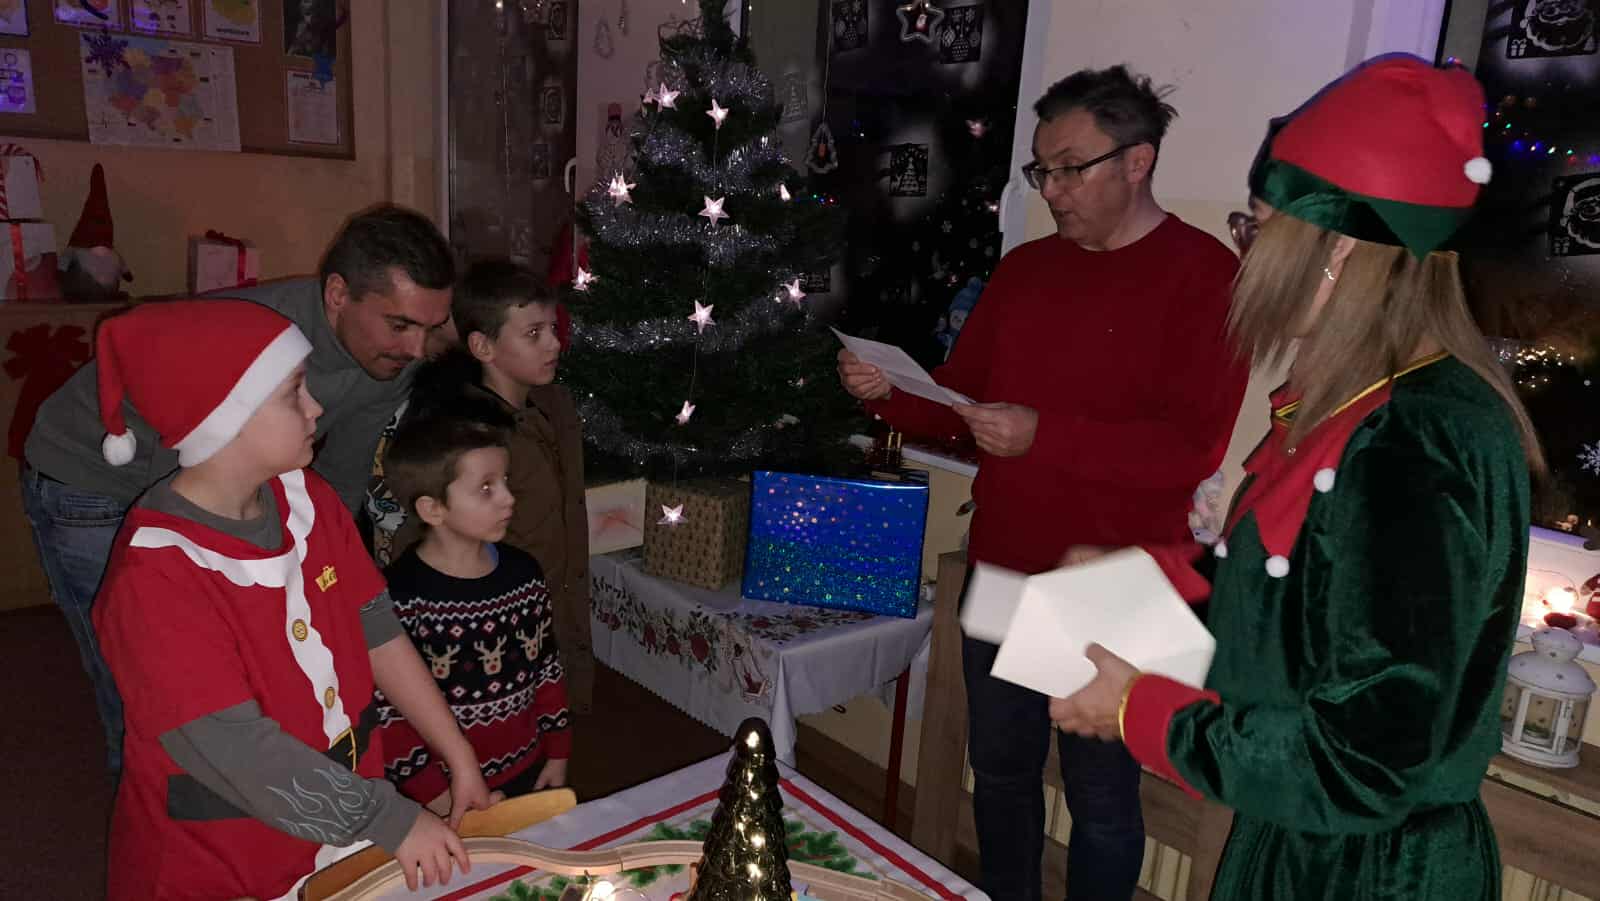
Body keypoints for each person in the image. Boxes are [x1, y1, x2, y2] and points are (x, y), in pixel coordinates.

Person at [1050, 55, 1542, 901]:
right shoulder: (1360, 403)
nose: (1245, 257)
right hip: (1306, 844)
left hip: (1370, 874)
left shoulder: (1419, 440)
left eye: (1258, 229)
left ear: (1338, 248)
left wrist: (1139, 710)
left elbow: (1365, 760)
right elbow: (1299, 597)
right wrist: (1144, 576)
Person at [837, 66, 1249, 900]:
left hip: (1120, 580)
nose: (1051, 190)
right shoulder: (1026, 270)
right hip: (1005, 559)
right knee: (1000, 771)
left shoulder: (1204, 274)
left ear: (1139, 161)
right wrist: (891, 390)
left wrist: (1043, 435)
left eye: (1070, 168)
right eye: (1041, 169)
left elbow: (1191, 449)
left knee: (1102, 798)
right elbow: (964, 400)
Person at [21, 204, 455, 774]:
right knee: (141, 675)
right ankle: (158, 800)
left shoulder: (389, 363)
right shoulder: (255, 330)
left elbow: (337, 485)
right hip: (91, 473)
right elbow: (187, 502)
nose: (417, 350)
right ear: (337, 295)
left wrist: (329, 575)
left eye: (430, 327)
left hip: (198, 475)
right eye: (400, 325)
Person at [91, 301, 492, 900]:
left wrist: (456, 751)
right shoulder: (153, 577)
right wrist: (391, 820)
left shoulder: (308, 498)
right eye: (292, 393)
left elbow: (375, 628)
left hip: (340, 829)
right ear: (226, 418)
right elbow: (234, 748)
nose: (316, 407)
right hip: (222, 863)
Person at [387, 260, 594, 713]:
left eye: (553, 328)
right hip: (492, 632)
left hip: (554, 622)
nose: (555, 343)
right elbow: (422, 536)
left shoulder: (556, 406)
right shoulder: (465, 438)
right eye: (533, 333)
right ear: (483, 346)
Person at [377, 415, 572, 807]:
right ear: (433, 509)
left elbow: (547, 667)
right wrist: (436, 794)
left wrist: (558, 750)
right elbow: (388, 715)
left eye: (505, 480)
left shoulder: (524, 573)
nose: (508, 497)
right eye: (486, 488)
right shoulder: (399, 597)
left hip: (528, 770)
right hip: (442, 795)